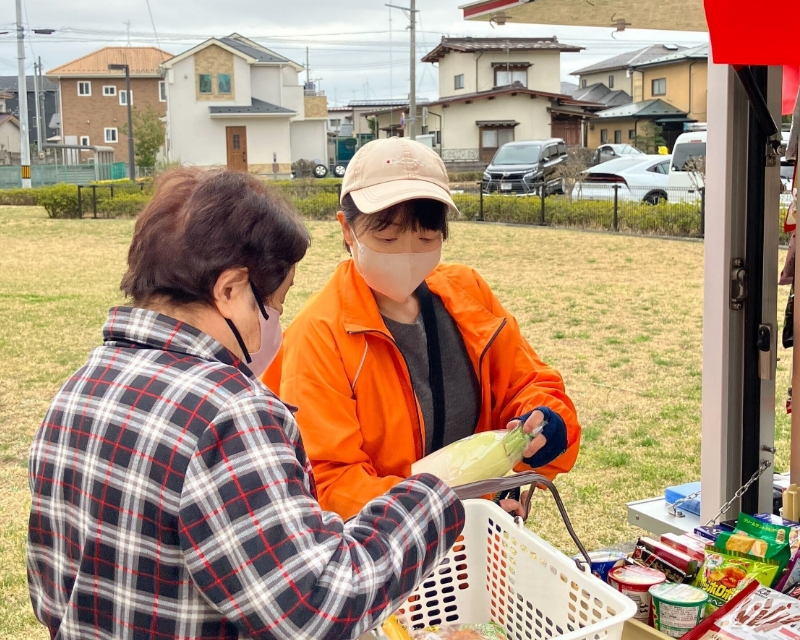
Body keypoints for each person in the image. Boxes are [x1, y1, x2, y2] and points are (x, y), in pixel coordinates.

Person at [26, 168, 465, 640]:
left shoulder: (80, 386)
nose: (275, 323)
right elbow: (319, 607)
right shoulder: (227, 413)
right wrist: (434, 493)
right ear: (230, 290)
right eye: (275, 304)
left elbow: (47, 589)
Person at [265, 138, 581, 520]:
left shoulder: (468, 293)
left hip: (478, 552)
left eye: (427, 238)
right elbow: (331, 486)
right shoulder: (319, 336)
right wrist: (467, 508)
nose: (407, 253)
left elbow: (527, 382)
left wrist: (546, 421)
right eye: (387, 237)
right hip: (383, 561)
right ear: (347, 230)